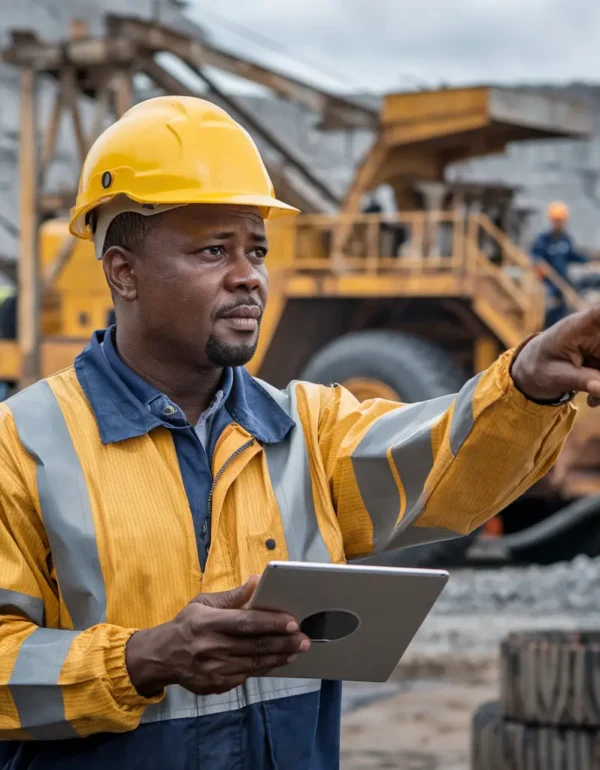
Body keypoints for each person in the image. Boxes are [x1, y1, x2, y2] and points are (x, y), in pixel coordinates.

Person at [0, 97, 599, 770]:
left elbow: (448, 465)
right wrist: (141, 660)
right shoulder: (22, 446)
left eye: (255, 248)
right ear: (123, 272)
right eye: (213, 250)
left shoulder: (307, 430)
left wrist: (528, 384)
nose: (249, 274)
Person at [531, 201, 588, 327]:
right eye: (556, 220)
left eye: (561, 220)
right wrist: (540, 265)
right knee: (550, 307)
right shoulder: (543, 239)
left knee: (567, 308)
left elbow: (573, 255)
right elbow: (536, 257)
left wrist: (588, 259)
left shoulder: (565, 239)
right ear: (551, 221)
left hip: (562, 281)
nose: (559, 223)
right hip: (548, 283)